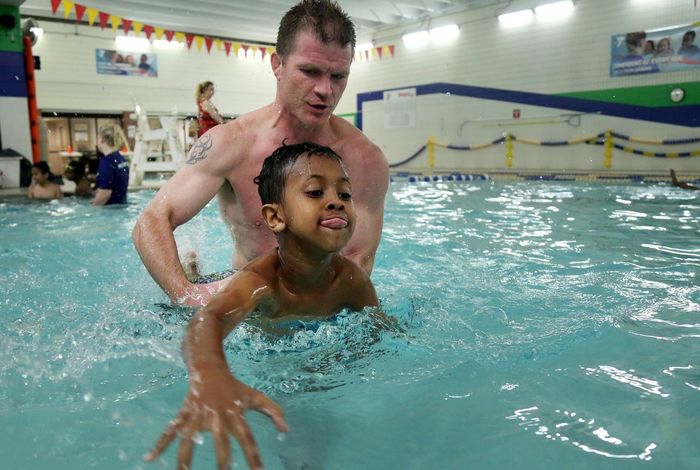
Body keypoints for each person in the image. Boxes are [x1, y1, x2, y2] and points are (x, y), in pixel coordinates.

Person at [132, 0, 389, 307]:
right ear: (277, 64)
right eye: (310, 71)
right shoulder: (231, 144)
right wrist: (186, 295)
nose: (325, 90)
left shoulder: (365, 159)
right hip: (249, 309)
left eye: (338, 76)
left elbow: (357, 259)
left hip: (325, 311)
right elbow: (151, 221)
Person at [144, 142, 380, 468]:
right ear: (275, 216)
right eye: (314, 192)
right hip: (249, 315)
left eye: (345, 195)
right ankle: (192, 274)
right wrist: (211, 374)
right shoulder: (261, 281)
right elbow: (207, 320)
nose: (335, 203)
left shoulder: (352, 282)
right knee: (187, 306)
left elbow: (377, 331)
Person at [92, 125, 129, 206]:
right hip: (122, 206)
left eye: (97, 139)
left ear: (102, 139)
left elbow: (105, 193)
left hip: (110, 212)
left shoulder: (107, 162)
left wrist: (92, 209)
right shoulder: (121, 158)